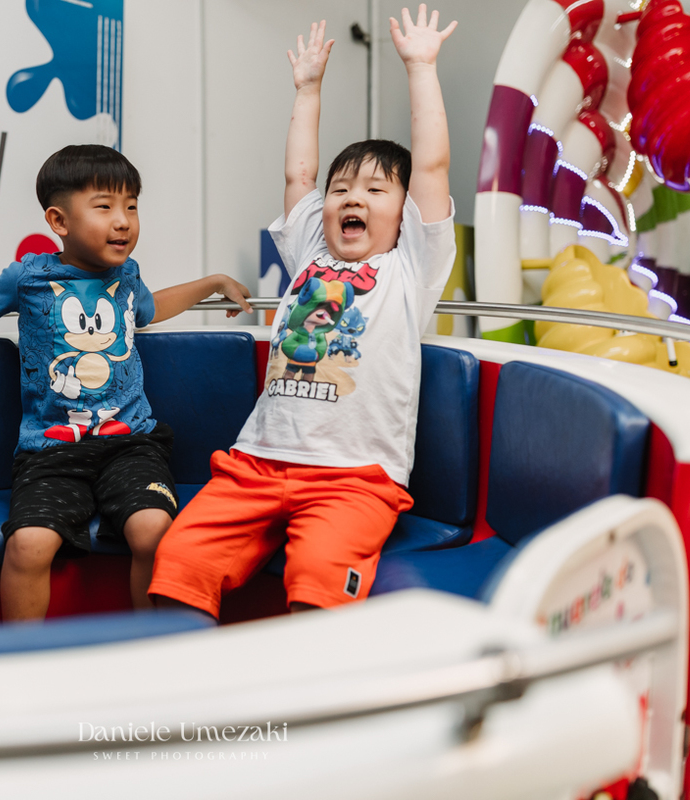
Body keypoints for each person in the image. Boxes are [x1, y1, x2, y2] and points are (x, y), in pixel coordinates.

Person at [150, 7, 458, 617]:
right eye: (341, 189)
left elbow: (431, 167)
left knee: (318, 579)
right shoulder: (310, 253)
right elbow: (299, 173)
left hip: (354, 477)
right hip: (255, 463)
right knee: (178, 561)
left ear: (405, 214)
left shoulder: (410, 266)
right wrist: (308, 89)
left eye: (375, 190)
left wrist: (421, 68)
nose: (351, 198)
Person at [0, 144, 251, 621]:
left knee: (154, 531)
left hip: (131, 444)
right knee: (28, 545)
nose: (123, 221)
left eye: (131, 206)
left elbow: (151, 310)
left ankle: (152, 646)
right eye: (104, 206)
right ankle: (24, 657)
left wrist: (211, 283)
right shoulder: (29, 276)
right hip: (51, 451)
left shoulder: (127, 276)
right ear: (59, 220)